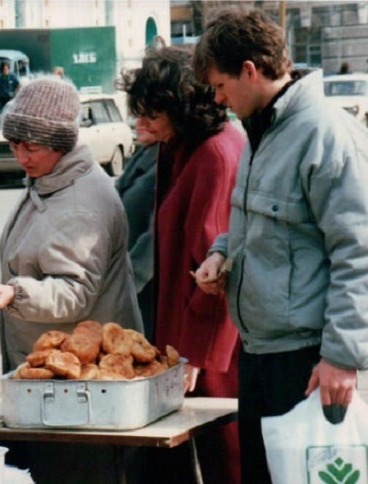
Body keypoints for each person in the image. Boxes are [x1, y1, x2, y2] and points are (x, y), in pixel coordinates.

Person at [192, 9, 368, 483]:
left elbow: (360, 253)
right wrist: (221, 253)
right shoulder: (261, 132)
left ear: (250, 71)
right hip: (261, 355)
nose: (217, 98)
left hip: (310, 363)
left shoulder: (324, 135)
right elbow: (258, 222)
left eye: (220, 85)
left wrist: (341, 357)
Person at [0, 76, 144, 484]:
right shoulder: (50, 182)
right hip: (61, 391)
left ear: (61, 143)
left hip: (81, 391)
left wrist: (16, 293)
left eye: (30, 146)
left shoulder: (79, 203)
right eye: (14, 144)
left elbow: (74, 293)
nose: (20, 156)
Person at [121, 46, 245, 484]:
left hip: (211, 345)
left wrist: (194, 352)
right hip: (192, 338)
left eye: (153, 112)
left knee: (226, 458)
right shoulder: (187, 146)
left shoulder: (212, 153)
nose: (144, 123)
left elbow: (213, 266)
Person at [115, 117, 158, 339]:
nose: (139, 123)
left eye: (149, 115)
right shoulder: (143, 153)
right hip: (127, 278)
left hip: (145, 286)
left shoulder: (166, 159)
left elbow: (156, 235)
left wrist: (130, 282)